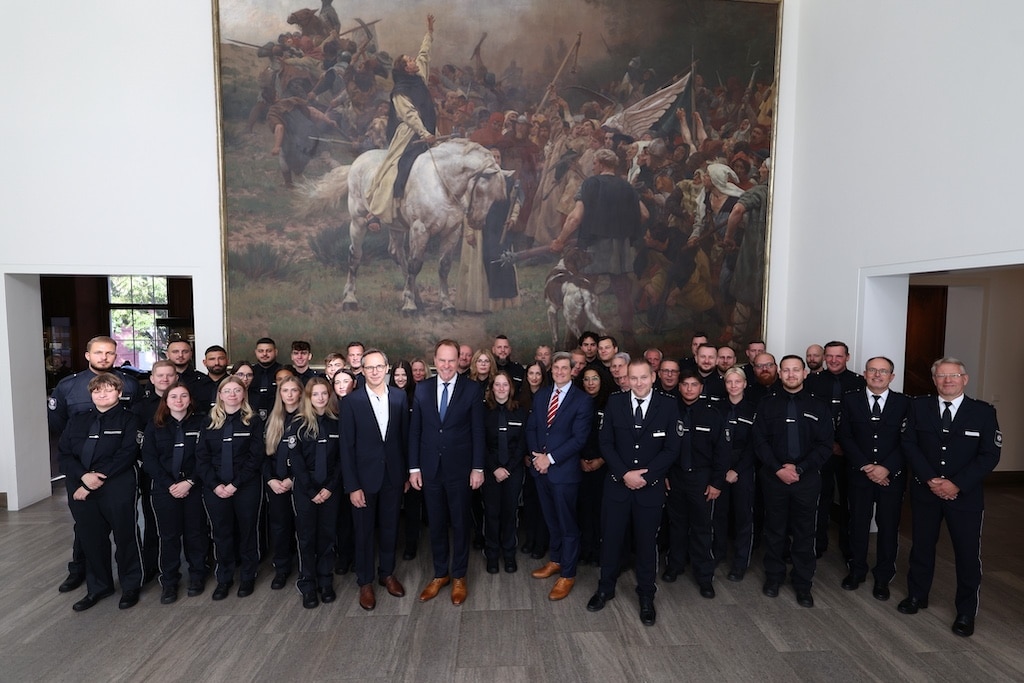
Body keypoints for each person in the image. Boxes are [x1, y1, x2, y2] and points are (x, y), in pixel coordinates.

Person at [898, 357, 1001, 637]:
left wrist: (957, 484)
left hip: (965, 496)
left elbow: (990, 455)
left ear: (964, 379)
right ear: (934, 380)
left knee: (967, 555)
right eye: (941, 376)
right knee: (921, 547)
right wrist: (930, 479)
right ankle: (917, 595)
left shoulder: (983, 412)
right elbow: (909, 444)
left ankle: (966, 612)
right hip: (926, 491)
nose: (947, 381)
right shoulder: (918, 407)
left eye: (954, 376)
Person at [588, 359, 680, 626]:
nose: (638, 383)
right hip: (617, 485)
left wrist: (646, 477)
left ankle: (646, 595)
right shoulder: (615, 402)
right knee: (611, 539)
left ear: (653, 377)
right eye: (633, 378)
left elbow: (671, 449)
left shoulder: (668, 405)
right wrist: (624, 474)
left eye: (643, 377)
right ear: (626, 379)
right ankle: (605, 588)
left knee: (646, 544)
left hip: (649, 489)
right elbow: (606, 442)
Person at [49, 335, 140, 594]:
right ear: (88, 355)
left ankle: (129, 584)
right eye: (98, 352)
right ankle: (82, 573)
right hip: (81, 468)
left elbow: (131, 434)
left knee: (124, 532)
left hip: (115, 474)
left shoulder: (130, 384)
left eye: (109, 353)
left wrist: (97, 474)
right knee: (86, 531)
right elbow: (59, 425)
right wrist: (83, 473)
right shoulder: (68, 385)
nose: (104, 357)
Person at [409, 339, 485, 605]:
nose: (446, 365)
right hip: (430, 469)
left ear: (458, 361)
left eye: (451, 360)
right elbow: (415, 431)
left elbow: (478, 431)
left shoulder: (472, 389)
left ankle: (459, 576)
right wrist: (414, 468)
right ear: (435, 361)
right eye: (442, 360)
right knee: (437, 523)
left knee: (461, 523)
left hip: (460, 470)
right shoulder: (422, 388)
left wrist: (477, 468)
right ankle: (440, 574)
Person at [753, 355, 833, 608]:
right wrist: (778, 469)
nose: (790, 374)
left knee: (804, 532)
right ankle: (774, 577)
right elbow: (759, 441)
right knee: (774, 529)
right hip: (774, 477)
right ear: (779, 373)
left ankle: (803, 583)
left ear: (804, 373)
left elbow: (825, 445)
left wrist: (799, 468)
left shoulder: (819, 406)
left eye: (795, 370)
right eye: (786, 370)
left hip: (806, 478)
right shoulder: (767, 404)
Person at [550, 148, 648, 343]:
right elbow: (644, 215)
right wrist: (626, 229)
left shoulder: (590, 184)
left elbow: (575, 218)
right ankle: (628, 336)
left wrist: (560, 240)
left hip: (593, 246)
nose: (593, 167)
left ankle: (573, 338)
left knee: (584, 291)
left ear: (602, 164)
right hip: (620, 246)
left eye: (594, 163)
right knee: (622, 292)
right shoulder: (627, 187)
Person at [340, 349, 409, 611]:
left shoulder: (400, 397)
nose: (375, 371)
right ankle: (365, 581)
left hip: (393, 476)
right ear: (362, 370)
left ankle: (387, 574)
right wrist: (353, 486)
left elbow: (404, 438)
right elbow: (346, 448)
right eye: (369, 367)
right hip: (363, 480)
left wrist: (405, 474)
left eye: (379, 366)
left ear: (387, 368)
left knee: (390, 528)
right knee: (364, 532)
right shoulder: (351, 401)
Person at [836, 356, 910, 600]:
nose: (878, 375)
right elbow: (845, 436)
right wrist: (867, 466)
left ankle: (883, 577)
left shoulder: (905, 403)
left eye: (883, 371)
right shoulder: (850, 400)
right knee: (858, 524)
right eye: (873, 370)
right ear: (865, 374)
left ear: (892, 376)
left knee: (888, 527)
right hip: (860, 475)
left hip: (892, 477)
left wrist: (886, 468)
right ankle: (856, 570)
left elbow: (908, 440)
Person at [525, 351, 593, 602]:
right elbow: (532, 427)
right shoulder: (542, 395)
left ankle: (568, 573)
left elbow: (579, 439)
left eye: (565, 368)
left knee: (567, 524)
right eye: (556, 368)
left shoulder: (582, 400)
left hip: (563, 473)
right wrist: (537, 458)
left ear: (573, 370)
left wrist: (550, 459)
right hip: (541, 471)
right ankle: (556, 560)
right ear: (551, 370)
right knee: (551, 520)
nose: (560, 372)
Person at [364, 15, 438, 230]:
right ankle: (377, 212)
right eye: (410, 60)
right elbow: (410, 116)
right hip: (410, 134)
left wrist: (429, 32)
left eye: (412, 59)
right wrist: (425, 134)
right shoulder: (400, 91)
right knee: (396, 166)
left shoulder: (419, 78)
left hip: (430, 130)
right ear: (406, 68)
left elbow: (424, 54)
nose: (414, 61)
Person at [195, 376, 265, 600]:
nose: (232, 394)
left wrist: (235, 484)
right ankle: (224, 578)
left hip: (245, 485)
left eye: (237, 390)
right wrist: (215, 485)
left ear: (244, 394)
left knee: (247, 531)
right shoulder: (208, 422)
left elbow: (255, 457)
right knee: (221, 532)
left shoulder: (253, 421)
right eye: (227, 391)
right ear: (220, 395)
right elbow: (202, 458)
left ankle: (248, 576)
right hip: (215, 487)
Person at [662, 369, 728, 598]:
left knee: (702, 528)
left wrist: (717, 483)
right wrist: (664, 474)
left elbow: (722, 452)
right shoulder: (670, 412)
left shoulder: (713, 414)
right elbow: (663, 447)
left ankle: (704, 576)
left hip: (702, 478)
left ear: (701, 388)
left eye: (694, 385)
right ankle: (675, 565)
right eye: (685, 384)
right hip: (675, 476)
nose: (689, 389)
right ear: (679, 387)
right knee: (676, 525)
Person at [141, 382, 209, 603]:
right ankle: (169, 581)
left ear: (190, 399)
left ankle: (197, 575)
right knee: (168, 536)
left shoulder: (202, 423)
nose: (179, 400)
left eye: (183, 396)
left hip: (194, 487)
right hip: (165, 489)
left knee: (195, 533)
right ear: (166, 401)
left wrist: (190, 481)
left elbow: (205, 456)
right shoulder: (155, 425)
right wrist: (170, 484)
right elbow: (149, 459)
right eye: (173, 397)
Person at [805, 340, 865, 561]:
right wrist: (828, 443)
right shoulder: (812, 382)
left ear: (847, 357)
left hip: (850, 453)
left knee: (851, 500)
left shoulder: (859, 383)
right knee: (820, 498)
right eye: (829, 356)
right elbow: (808, 417)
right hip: (820, 450)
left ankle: (848, 548)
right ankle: (817, 544)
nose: (833, 360)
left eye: (838, 356)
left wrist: (844, 445)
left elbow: (862, 419)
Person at [291, 377, 342, 608]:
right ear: (308, 397)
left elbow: (342, 460)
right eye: (315, 394)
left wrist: (329, 487)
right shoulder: (298, 425)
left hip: (330, 488)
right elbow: (296, 461)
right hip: (306, 489)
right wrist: (312, 490)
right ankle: (308, 583)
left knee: (328, 536)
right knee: (307, 537)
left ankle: (325, 580)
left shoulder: (337, 423)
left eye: (324, 393)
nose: (320, 398)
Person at [712, 366, 757, 581]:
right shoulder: (716, 409)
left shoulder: (754, 409)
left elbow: (755, 444)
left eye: (737, 381)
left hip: (743, 469)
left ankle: (740, 562)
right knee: (718, 514)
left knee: (743, 516)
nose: (733, 385)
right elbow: (712, 441)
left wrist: (736, 470)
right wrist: (722, 470)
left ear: (745, 384)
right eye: (729, 382)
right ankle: (718, 552)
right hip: (719, 467)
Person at [481, 370, 528, 574]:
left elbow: (522, 444)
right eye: (497, 384)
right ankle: (491, 554)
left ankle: (509, 553)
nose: (501, 388)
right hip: (490, 469)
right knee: (491, 513)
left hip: (513, 470)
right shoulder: (483, 411)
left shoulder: (520, 412)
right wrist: (494, 468)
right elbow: (480, 443)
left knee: (510, 512)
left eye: (505, 384)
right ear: (492, 388)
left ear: (511, 388)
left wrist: (507, 468)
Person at [263, 375, 306, 590]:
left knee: (303, 527)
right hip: (276, 483)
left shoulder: (307, 420)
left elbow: (311, 458)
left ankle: (305, 567)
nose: (289, 394)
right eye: (285, 390)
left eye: (294, 390)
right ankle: (281, 568)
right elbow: (264, 456)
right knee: (280, 527)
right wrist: (271, 479)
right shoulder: (273, 420)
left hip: (300, 482)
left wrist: (292, 479)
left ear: (301, 393)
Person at [577, 366, 613, 566]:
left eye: (595, 378)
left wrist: (601, 459)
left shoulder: (611, 403)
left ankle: (599, 551)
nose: (590, 383)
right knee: (583, 509)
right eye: (586, 379)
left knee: (601, 510)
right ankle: (585, 549)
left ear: (602, 380)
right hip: (580, 464)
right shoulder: (577, 402)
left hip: (604, 465)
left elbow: (616, 437)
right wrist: (580, 458)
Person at [390, 360, 423, 560]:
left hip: (414, 461)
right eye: (397, 375)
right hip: (393, 461)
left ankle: (411, 545)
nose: (400, 378)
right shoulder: (386, 397)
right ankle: (391, 543)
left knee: (412, 507)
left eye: (404, 374)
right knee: (391, 508)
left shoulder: (418, 396)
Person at [250, 337, 282, 420]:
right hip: (252, 417)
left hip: (278, 417)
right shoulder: (250, 372)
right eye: (261, 351)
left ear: (276, 352)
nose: (264, 354)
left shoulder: (283, 372)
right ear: (256, 352)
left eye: (269, 351)